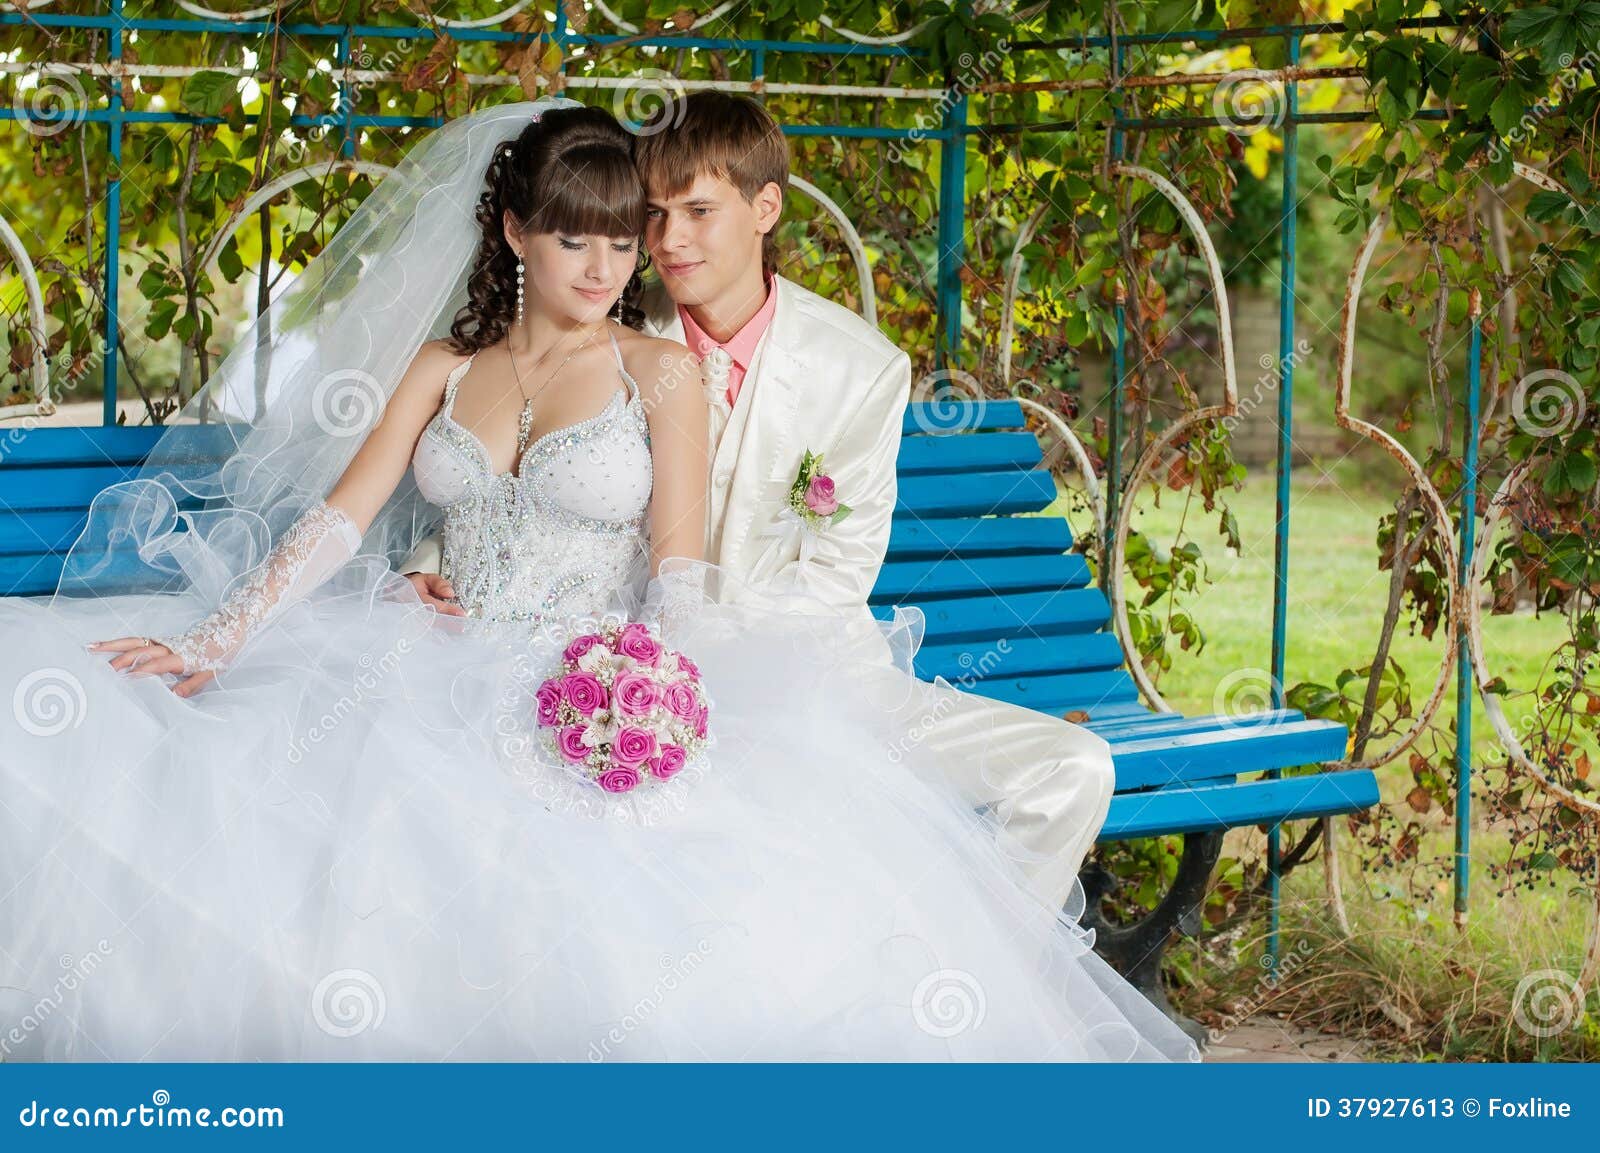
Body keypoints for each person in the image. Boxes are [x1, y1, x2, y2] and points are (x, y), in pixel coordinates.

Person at [0, 98, 1199, 1062]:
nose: (610, 261)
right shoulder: (439, 365)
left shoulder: (659, 372)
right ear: (515, 231)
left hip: (596, 671)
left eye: (623, 239)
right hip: (425, 661)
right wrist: (218, 639)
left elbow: (676, 570)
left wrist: (659, 683)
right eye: (578, 235)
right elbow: (337, 515)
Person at [401, 91, 1121, 919]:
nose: (668, 241)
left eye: (700, 211)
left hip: (809, 676)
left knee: (1074, 767)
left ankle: (969, 999)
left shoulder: (861, 369)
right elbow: (514, 468)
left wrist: (703, 672)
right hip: (612, 682)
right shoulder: (608, 320)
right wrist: (432, 566)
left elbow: (835, 583)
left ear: (765, 206)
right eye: (655, 215)